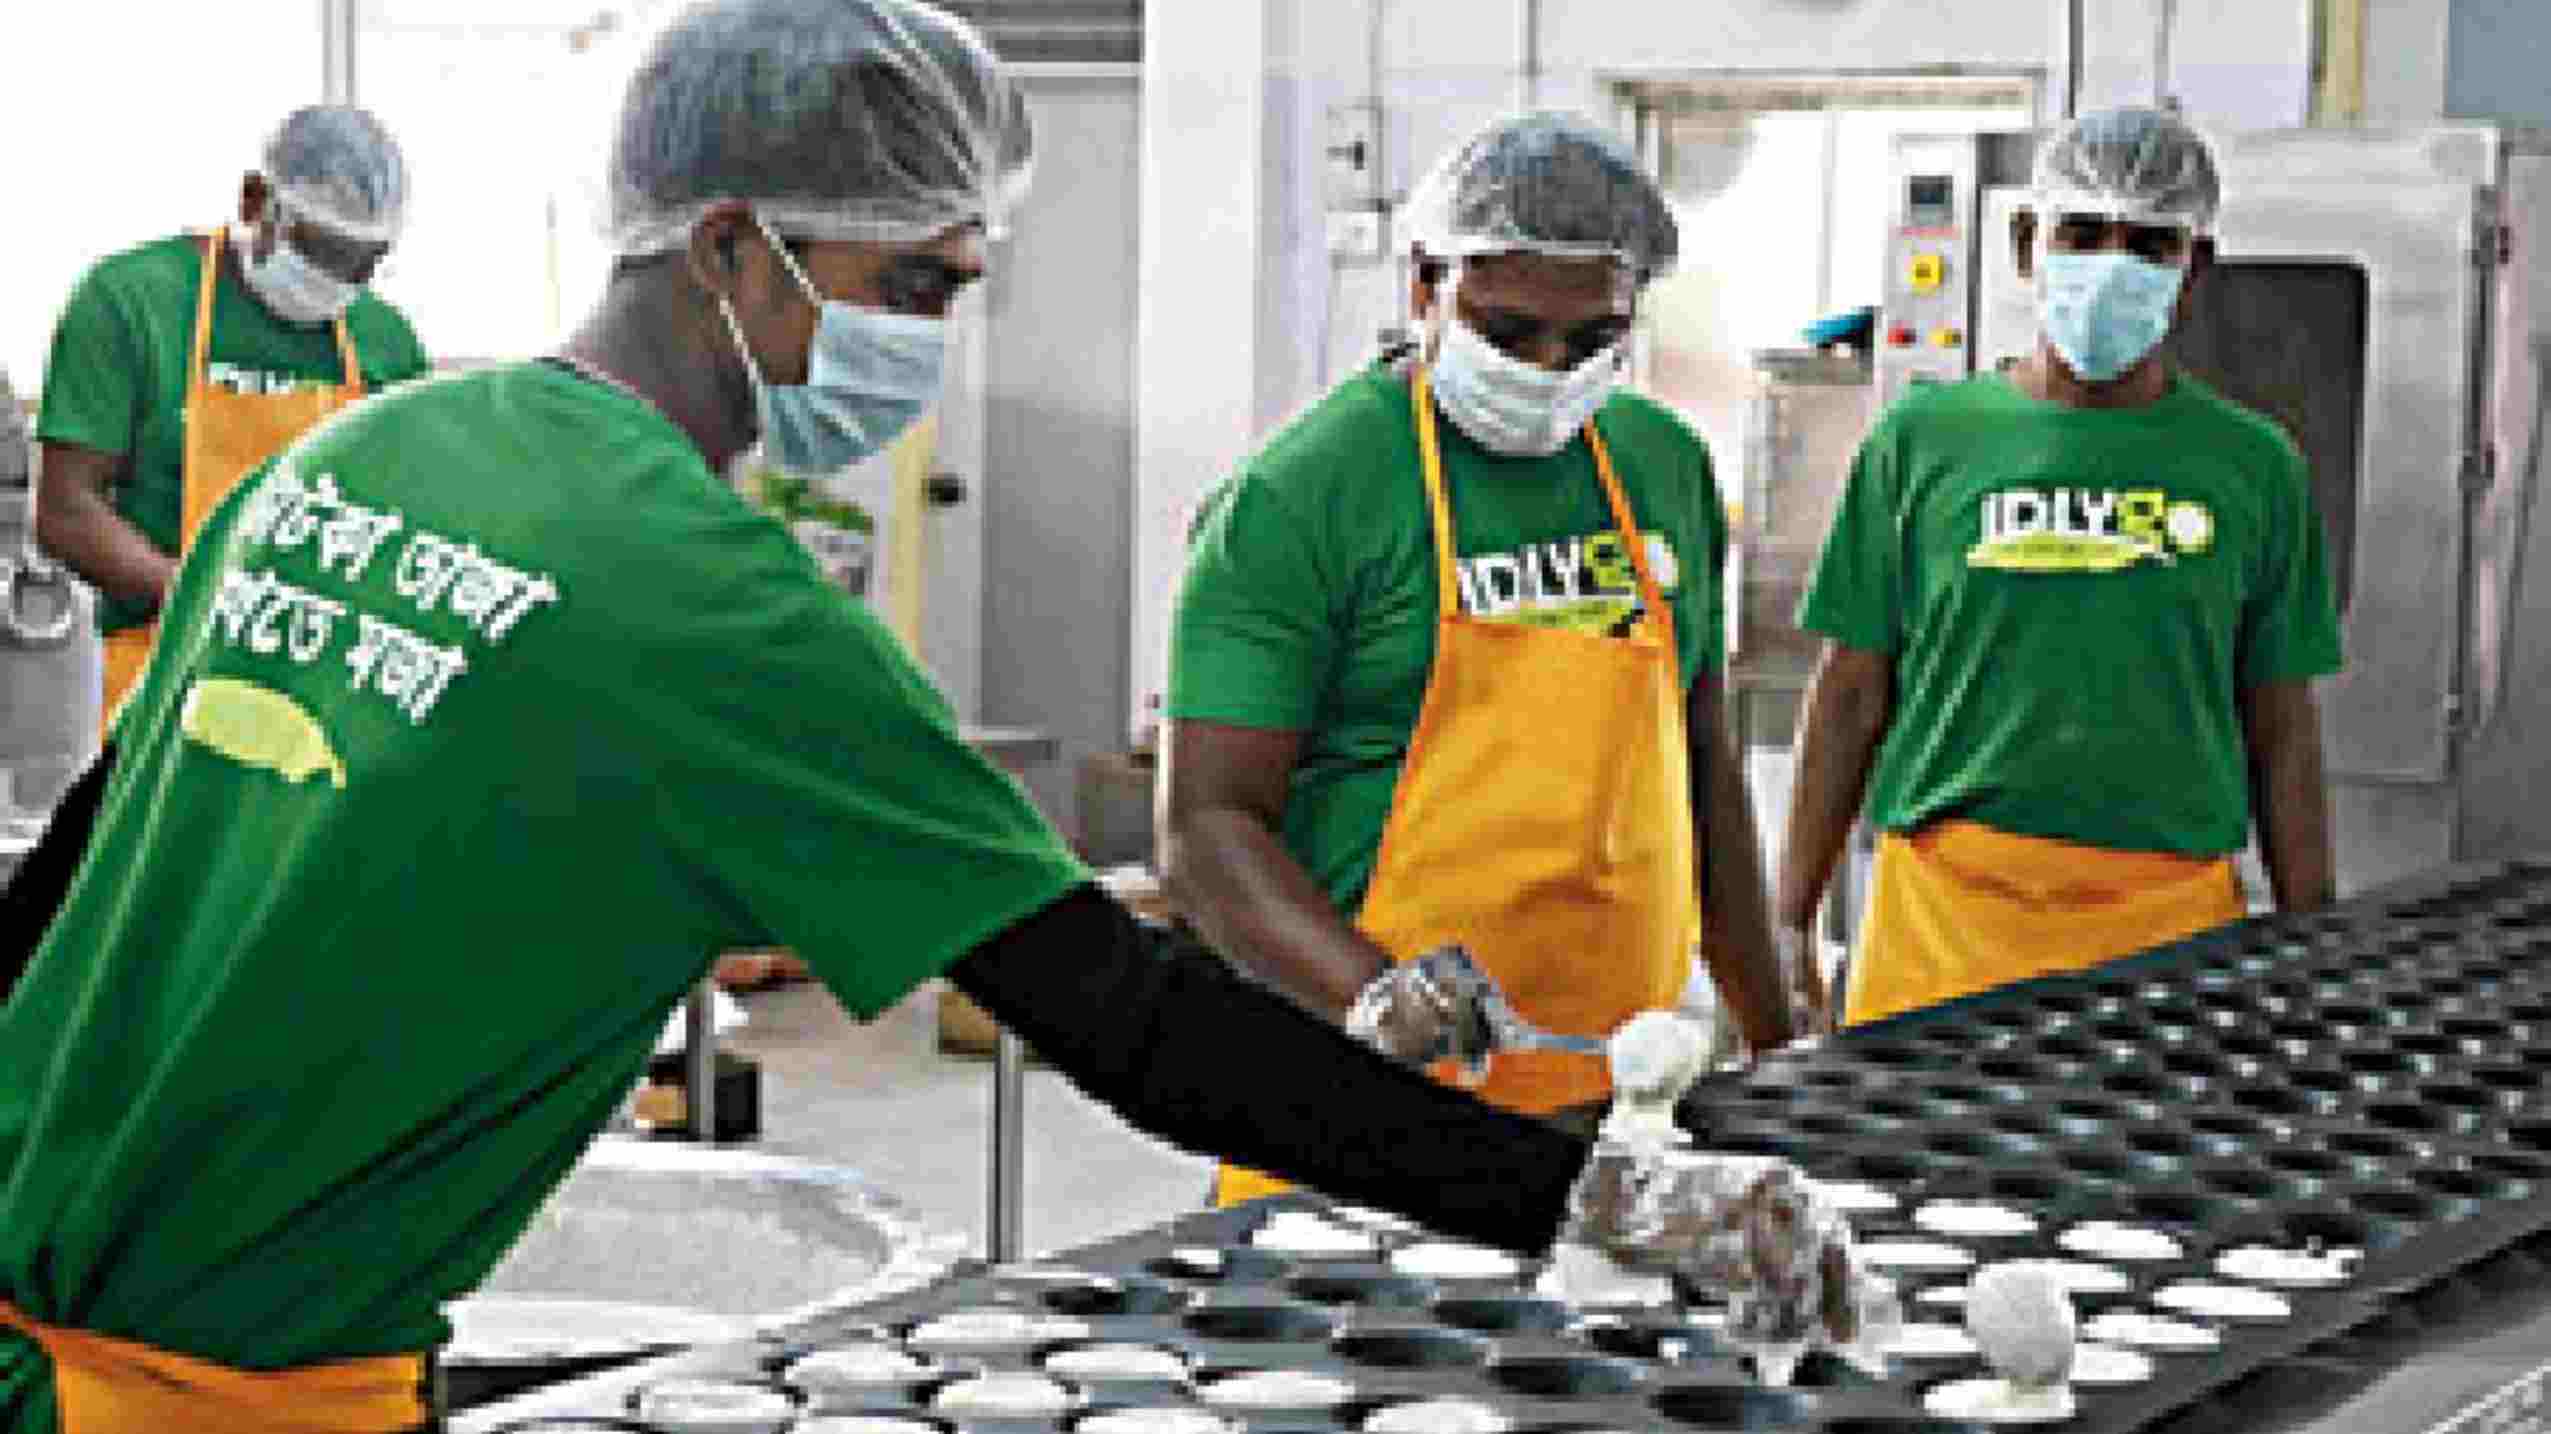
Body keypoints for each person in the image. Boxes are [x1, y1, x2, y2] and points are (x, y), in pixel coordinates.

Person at [0, 6, 1885, 1431]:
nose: (936, 338)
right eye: (914, 284)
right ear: (730, 245)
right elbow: (1135, 1030)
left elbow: (95, 834)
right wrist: (1614, 1197)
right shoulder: (705, 603)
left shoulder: (364, 447)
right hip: (197, 1390)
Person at [1159, 111, 1798, 1209]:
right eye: (1507, 332)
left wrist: (1776, 1038)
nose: (1549, 370)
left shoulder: (1660, 467)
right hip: (1361, 1090)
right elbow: (1205, 827)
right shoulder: (1303, 496)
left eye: (1590, 339)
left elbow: (1700, 766)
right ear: (1424, 286)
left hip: (1617, 1092)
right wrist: (1373, 997)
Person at [1776, 107, 2340, 1030]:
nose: (2111, 264)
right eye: (2081, 233)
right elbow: (1848, 690)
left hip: (2169, 938)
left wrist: (2311, 943)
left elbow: (2280, 723)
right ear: (2024, 245)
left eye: (2150, 243)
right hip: (1943, 928)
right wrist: (1788, 915)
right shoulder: (1922, 444)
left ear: (2192, 269)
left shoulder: (2253, 467)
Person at [32, 105, 427, 732]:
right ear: (253, 202)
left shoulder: (387, 343)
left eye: (360, 262)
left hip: (320, 687)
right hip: (159, 677)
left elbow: (407, 523)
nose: (335, 278)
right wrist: (211, 597)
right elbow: (64, 508)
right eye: (320, 249)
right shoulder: (133, 302)